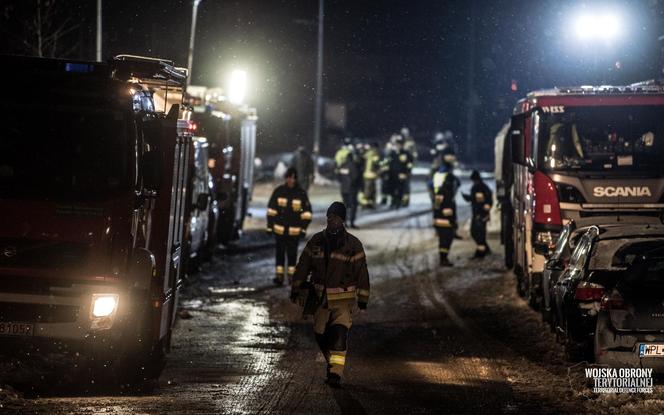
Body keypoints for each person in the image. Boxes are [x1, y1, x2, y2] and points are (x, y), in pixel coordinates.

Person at [291, 201, 370, 387]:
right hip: (320, 299)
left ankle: (335, 373)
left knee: (339, 334)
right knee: (319, 334)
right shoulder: (316, 241)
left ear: (342, 220)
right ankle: (331, 362)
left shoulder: (353, 245)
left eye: (334, 217)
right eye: (329, 216)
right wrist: (297, 287)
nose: (330, 220)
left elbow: (362, 273)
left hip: (343, 300)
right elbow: (303, 266)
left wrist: (363, 299)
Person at [266, 167, 313, 284]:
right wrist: (269, 226)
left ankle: (291, 277)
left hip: (294, 232)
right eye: (289, 177)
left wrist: (303, 229)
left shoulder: (301, 194)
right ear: (286, 178)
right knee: (279, 254)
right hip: (279, 230)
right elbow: (271, 210)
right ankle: (279, 276)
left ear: (296, 179)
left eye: (293, 178)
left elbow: (306, 214)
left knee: (292, 255)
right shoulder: (278, 192)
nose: (291, 180)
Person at [431, 162, 458, 266]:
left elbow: (437, 207)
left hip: (439, 221)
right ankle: (443, 259)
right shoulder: (448, 194)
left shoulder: (440, 193)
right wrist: (452, 220)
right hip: (446, 222)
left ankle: (443, 258)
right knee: (446, 240)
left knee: (443, 240)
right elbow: (448, 210)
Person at [463, 170, 493, 259]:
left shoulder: (478, 187)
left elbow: (479, 201)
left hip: (479, 215)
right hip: (480, 214)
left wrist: (468, 198)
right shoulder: (483, 187)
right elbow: (478, 199)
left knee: (477, 233)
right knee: (478, 233)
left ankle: (480, 253)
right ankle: (485, 249)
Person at [334, 137, 362, 228]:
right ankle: (352, 223)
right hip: (352, 189)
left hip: (344, 188)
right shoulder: (354, 165)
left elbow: (338, 175)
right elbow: (355, 177)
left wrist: (343, 181)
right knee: (353, 206)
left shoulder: (342, 164)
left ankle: (344, 222)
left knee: (345, 206)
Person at [387, 134, 413, 209]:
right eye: (396, 144)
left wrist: (406, 173)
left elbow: (409, 164)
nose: (397, 146)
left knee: (400, 189)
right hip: (392, 174)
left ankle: (398, 202)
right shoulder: (392, 153)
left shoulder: (406, 153)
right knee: (392, 189)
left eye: (399, 145)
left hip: (402, 174)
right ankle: (393, 201)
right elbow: (389, 163)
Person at [359, 142, 380, 209]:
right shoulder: (375, 153)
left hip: (367, 174)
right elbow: (377, 163)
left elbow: (362, 159)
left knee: (367, 190)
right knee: (370, 190)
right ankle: (368, 204)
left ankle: (367, 204)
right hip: (370, 175)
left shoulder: (368, 153)